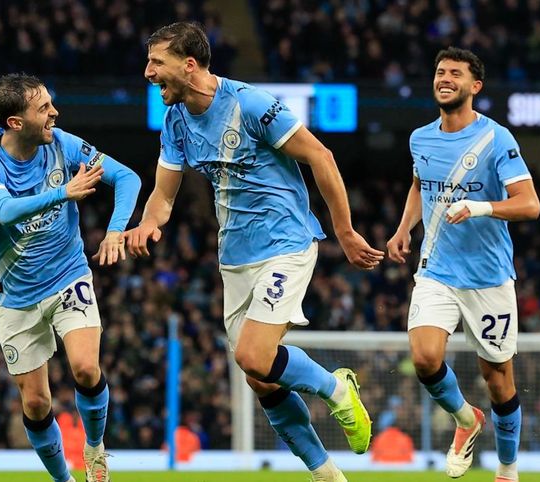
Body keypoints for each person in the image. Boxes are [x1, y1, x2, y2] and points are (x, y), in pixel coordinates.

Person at [125, 22, 383, 482]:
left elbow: (321, 156)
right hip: (235, 259)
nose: (148, 72)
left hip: (285, 243)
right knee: (259, 377)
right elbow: (163, 196)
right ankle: (327, 474)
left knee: (255, 356)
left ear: (189, 65)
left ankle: (337, 388)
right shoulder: (175, 122)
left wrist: (344, 231)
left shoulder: (252, 105)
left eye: (156, 62)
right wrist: (148, 223)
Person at [0, 73, 141, 482]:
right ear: (15, 122)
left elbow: (127, 177)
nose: (54, 113)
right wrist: (64, 193)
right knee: (37, 402)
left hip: (67, 274)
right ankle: (63, 479)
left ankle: (95, 449)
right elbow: (4, 211)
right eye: (43, 108)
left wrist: (115, 230)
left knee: (86, 369)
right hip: (12, 291)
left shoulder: (63, 145)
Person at [387, 47, 540, 482]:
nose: (445, 78)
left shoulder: (496, 139)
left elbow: (529, 204)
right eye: (440, 71)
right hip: (437, 270)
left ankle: (507, 469)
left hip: (488, 278)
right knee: (424, 358)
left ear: (475, 86)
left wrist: (480, 207)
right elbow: (420, 185)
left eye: (456, 73)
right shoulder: (420, 138)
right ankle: (466, 419)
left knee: (498, 379)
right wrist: (404, 228)